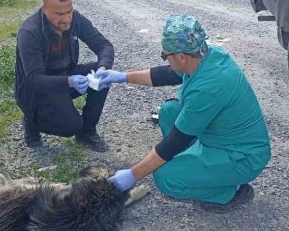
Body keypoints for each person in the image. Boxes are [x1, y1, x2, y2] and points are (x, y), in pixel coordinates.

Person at [97, 14, 271, 212]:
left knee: (165, 177)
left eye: (165, 55)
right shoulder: (206, 55)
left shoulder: (207, 90)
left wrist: (132, 175)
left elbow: (173, 144)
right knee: (168, 112)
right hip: (222, 138)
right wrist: (121, 77)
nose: (165, 59)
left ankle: (229, 192)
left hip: (241, 156)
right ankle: (197, 168)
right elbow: (166, 74)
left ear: (181, 57)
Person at [15, 0, 114, 152]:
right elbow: (34, 80)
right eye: (59, 14)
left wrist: (103, 68)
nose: (67, 19)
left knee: (104, 77)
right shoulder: (29, 32)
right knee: (71, 125)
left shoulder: (76, 20)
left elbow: (104, 45)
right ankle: (32, 121)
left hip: (66, 78)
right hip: (38, 90)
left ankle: (87, 132)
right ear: (45, 9)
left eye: (69, 12)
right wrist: (69, 81)